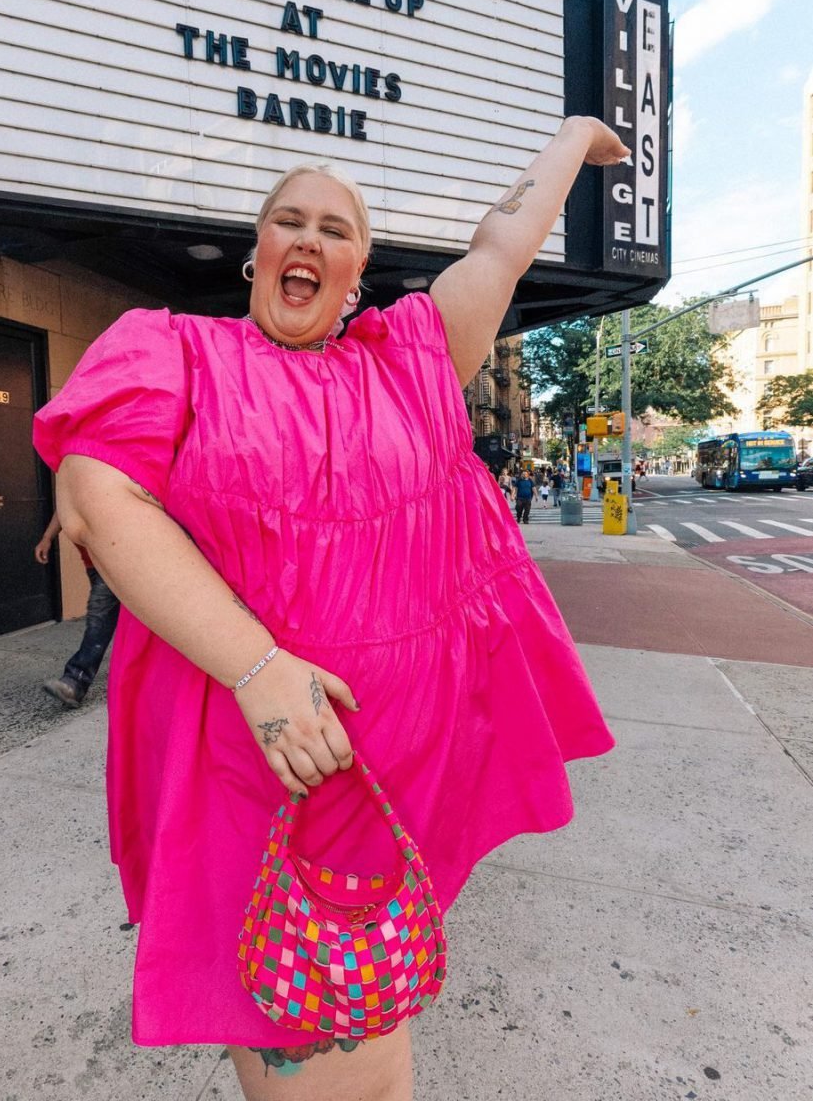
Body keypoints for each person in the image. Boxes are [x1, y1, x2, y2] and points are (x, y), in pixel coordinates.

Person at [32, 115, 624, 1101]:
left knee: (376, 1042)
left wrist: (570, 140)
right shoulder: (177, 352)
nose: (307, 239)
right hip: (260, 775)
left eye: (335, 228)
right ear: (257, 255)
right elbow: (103, 494)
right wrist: (258, 670)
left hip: (402, 778)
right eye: (286, 221)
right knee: (313, 1063)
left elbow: (499, 244)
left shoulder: (414, 358)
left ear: (357, 274)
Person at [34, 512, 120, 708]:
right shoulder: (70, 482)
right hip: (94, 562)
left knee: (99, 618)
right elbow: (64, 507)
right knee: (115, 618)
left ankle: (75, 680)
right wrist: (47, 537)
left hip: (113, 560)